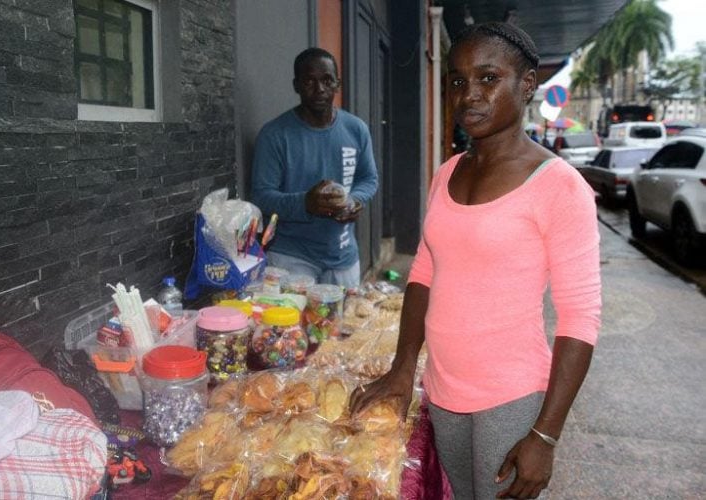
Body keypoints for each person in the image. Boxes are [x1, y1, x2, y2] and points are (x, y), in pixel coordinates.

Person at [350, 22, 601, 500]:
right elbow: (424, 271)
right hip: (443, 390)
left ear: (526, 84)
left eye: (489, 78)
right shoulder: (447, 173)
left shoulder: (557, 185)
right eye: (458, 81)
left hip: (510, 398)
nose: (470, 95)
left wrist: (545, 434)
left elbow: (580, 319)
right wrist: (405, 368)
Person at [251, 47, 378, 289]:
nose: (320, 89)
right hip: (290, 258)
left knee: (344, 326)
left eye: (327, 80)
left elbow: (368, 178)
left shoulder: (356, 129)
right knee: (289, 328)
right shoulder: (275, 135)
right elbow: (261, 196)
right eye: (309, 81)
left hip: (343, 258)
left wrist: (354, 200)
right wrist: (305, 203)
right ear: (296, 85)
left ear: (337, 84)